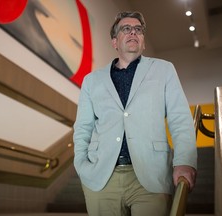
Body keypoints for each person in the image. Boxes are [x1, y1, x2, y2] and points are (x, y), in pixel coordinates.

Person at [73, 11, 197, 216]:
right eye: (126, 29)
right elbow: (83, 127)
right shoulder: (91, 80)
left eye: (138, 29)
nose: (133, 32)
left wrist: (184, 161)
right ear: (114, 41)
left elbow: (180, 118)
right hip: (101, 177)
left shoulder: (164, 70)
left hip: (151, 176)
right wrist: (81, 165)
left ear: (143, 41)